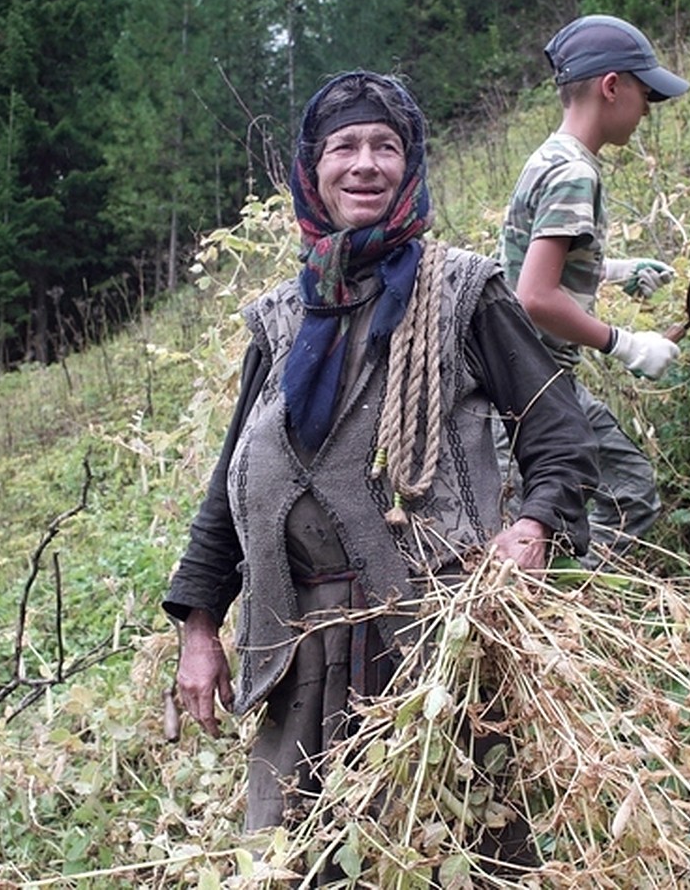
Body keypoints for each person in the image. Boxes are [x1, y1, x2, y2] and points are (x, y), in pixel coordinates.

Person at [162, 70, 599, 840]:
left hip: (431, 643)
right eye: (344, 147)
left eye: (385, 147)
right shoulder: (278, 319)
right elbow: (232, 486)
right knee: (293, 855)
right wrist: (199, 627)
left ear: (411, 165)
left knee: (450, 847)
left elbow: (558, 430)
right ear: (312, 170)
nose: (365, 163)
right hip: (296, 650)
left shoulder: (465, 292)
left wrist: (534, 526)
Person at [499, 14, 689, 565]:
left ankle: (564, 600)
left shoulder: (548, 157)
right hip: (534, 379)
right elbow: (535, 296)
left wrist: (612, 269)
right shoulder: (575, 174)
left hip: (521, 372)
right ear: (612, 87)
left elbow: (520, 267)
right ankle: (570, 609)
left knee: (607, 495)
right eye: (644, 91)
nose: (649, 108)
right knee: (626, 496)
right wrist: (627, 345)